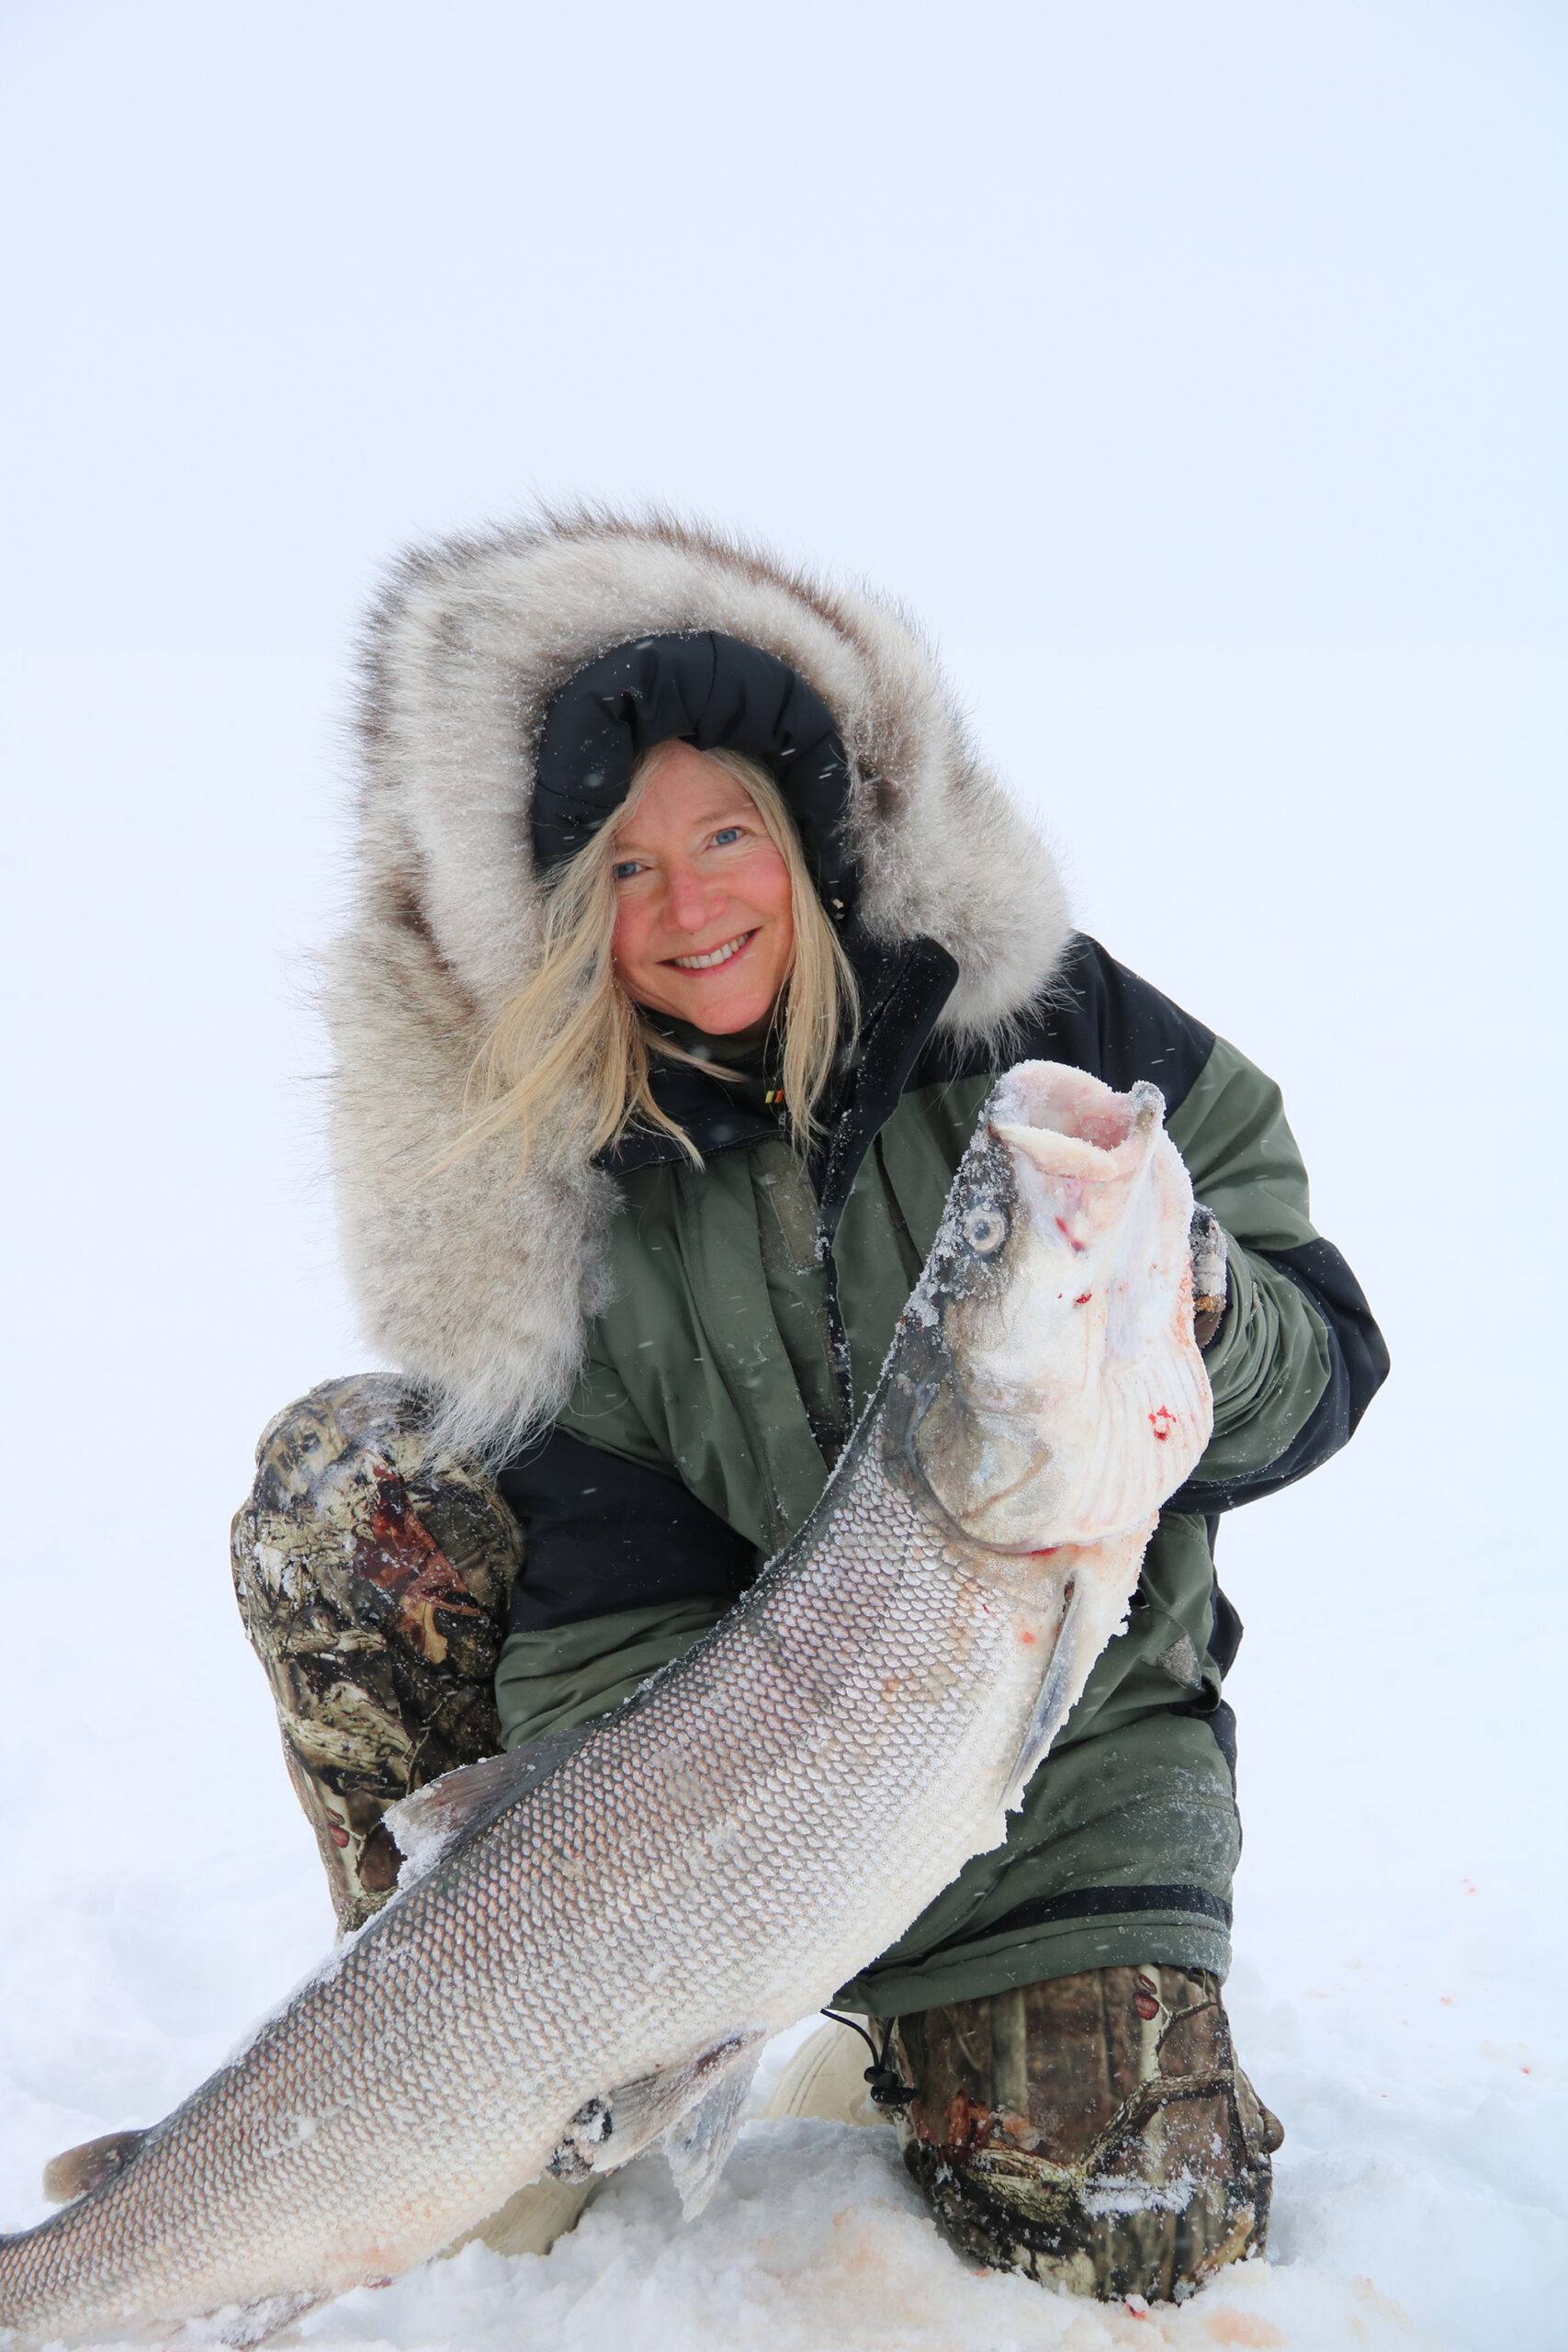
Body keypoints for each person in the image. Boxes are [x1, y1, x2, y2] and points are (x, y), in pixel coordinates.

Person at [232, 509, 1387, 2303]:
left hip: (1057, 1790)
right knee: (351, 1473)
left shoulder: (1052, 1029)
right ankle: (440, 2048)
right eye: (624, 868)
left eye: (724, 833)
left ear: (809, 828)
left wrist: (1200, 1308)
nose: (691, 903)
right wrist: (642, 1943)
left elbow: (1313, 1381)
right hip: (721, 1814)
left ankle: (909, 2042)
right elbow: (596, 1621)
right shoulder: (565, 1200)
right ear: (562, 908)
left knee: (1138, 2241)